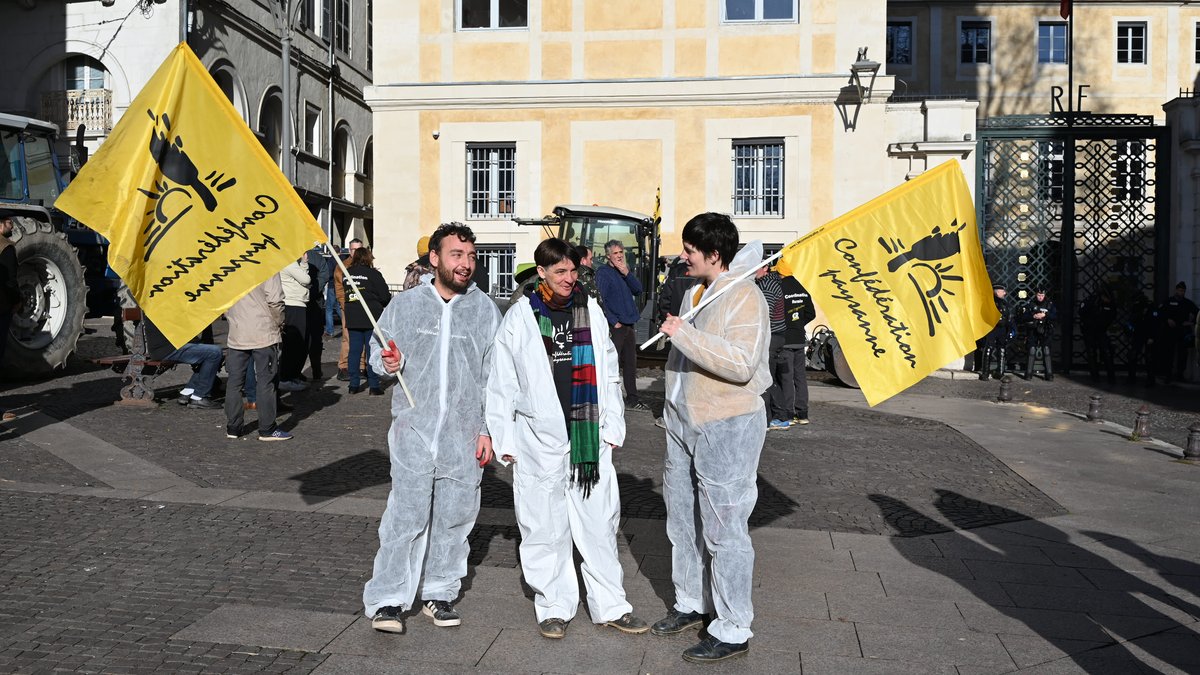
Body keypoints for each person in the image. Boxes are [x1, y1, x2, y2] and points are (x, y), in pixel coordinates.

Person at [486, 238, 649, 640]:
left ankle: (611, 604)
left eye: (573, 271)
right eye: (560, 272)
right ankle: (554, 605)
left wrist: (612, 427)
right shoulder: (521, 317)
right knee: (544, 527)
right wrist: (504, 438)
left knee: (599, 525)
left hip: (588, 436)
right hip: (539, 440)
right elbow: (501, 382)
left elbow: (609, 369)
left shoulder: (588, 309)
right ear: (541, 273)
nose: (568, 279)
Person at [363, 223, 501, 634]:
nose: (466, 264)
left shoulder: (484, 309)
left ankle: (439, 591)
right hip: (414, 429)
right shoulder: (406, 306)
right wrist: (387, 363)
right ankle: (388, 599)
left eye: (471, 256)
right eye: (457, 255)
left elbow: (494, 376)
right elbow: (378, 351)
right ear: (435, 259)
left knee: (456, 516)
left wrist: (488, 429)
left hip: (464, 433)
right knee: (405, 515)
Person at [655, 213, 769, 664]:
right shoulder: (692, 293)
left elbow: (741, 364)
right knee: (682, 520)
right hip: (682, 423)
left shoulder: (745, 297)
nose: (683, 256)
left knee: (725, 528)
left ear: (714, 254)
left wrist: (685, 335)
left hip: (727, 424)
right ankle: (690, 602)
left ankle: (733, 625)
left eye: (690, 249)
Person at [224, 274, 290, 441]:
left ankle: (233, 427)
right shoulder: (268, 267)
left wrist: (232, 317)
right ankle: (267, 428)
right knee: (266, 381)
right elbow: (275, 301)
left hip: (237, 332)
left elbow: (220, 299)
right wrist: (279, 322)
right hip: (262, 332)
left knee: (234, 382)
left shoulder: (229, 267)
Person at [595, 240, 647, 412]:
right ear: (608, 256)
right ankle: (607, 399)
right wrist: (612, 321)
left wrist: (626, 273)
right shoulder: (603, 273)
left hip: (629, 324)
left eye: (621, 253)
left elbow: (638, 289)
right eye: (616, 253)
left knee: (631, 364)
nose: (619, 256)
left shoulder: (623, 272)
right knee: (612, 363)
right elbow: (600, 299)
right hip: (616, 326)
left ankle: (632, 398)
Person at [140, 315, 224, 409]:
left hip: (164, 347)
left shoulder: (158, 303)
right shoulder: (165, 306)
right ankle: (200, 396)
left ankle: (188, 391)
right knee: (214, 352)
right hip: (167, 349)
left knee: (206, 350)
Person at [342, 247, 391, 395]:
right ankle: (374, 385)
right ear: (368, 258)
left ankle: (353, 384)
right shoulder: (373, 274)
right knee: (372, 350)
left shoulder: (347, 274)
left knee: (354, 350)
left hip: (353, 316)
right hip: (371, 316)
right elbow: (385, 296)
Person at [754, 263, 789, 430]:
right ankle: (780, 416)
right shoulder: (768, 282)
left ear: (765, 267)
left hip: (771, 336)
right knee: (770, 378)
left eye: (755, 268)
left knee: (765, 377)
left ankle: (768, 419)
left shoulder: (766, 285)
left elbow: (764, 314)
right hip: (776, 335)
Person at [780, 275, 816, 425]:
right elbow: (811, 313)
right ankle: (802, 414)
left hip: (785, 339)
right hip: (799, 339)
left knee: (787, 378)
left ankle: (789, 413)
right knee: (800, 377)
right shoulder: (802, 287)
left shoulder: (780, 287)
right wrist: (799, 324)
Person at [0, 212, 22, 422]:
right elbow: (10, 283)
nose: (12, 225)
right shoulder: (6, 248)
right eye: (9, 222)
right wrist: (17, 301)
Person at [279, 256, 311, 391]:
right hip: (293, 303)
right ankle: (286, 377)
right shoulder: (288, 262)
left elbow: (303, 277)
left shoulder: (291, 263)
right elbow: (306, 279)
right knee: (293, 343)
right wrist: (304, 262)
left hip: (297, 303)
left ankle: (292, 375)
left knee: (298, 342)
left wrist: (303, 264)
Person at [334, 238, 364, 381]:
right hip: (348, 306)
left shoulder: (366, 264)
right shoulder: (342, 265)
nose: (356, 252)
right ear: (349, 250)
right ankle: (344, 366)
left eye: (359, 249)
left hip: (363, 306)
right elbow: (339, 288)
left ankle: (362, 366)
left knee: (363, 336)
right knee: (347, 336)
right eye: (353, 249)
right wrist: (343, 304)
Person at [1158, 281, 1198, 383]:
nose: (1181, 293)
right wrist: (1167, 319)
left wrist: (1191, 322)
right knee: (1168, 353)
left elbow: (1197, 313)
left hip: (1182, 331)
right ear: (1176, 290)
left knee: (1183, 354)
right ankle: (1167, 374)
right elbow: (1160, 313)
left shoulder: (1187, 303)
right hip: (1170, 331)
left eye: (1183, 291)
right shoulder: (1168, 301)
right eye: (1180, 290)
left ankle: (1180, 374)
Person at [1079, 286, 1117, 383]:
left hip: (1101, 331)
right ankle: (1095, 376)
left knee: (1107, 353)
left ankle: (1111, 376)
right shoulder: (1092, 301)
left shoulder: (1109, 304)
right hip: (1090, 331)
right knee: (1092, 354)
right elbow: (1082, 312)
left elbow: (1112, 315)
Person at [1020, 288, 1057, 381]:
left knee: (1046, 350)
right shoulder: (1031, 304)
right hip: (1033, 330)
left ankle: (1049, 374)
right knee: (1032, 350)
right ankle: (1028, 374)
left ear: (1045, 295)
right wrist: (1033, 316)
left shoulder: (1049, 304)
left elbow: (1055, 316)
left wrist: (1045, 315)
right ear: (1036, 295)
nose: (1040, 297)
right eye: (1038, 295)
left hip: (1045, 330)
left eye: (1042, 295)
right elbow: (1023, 317)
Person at [979, 284, 1011, 381]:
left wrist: (1009, 328)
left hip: (1002, 328)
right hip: (992, 327)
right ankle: (985, 372)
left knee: (1001, 349)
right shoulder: (990, 302)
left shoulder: (1005, 303)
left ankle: (1000, 372)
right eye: (1003, 291)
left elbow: (1008, 317)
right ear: (997, 291)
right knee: (989, 348)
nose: (1005, 293)